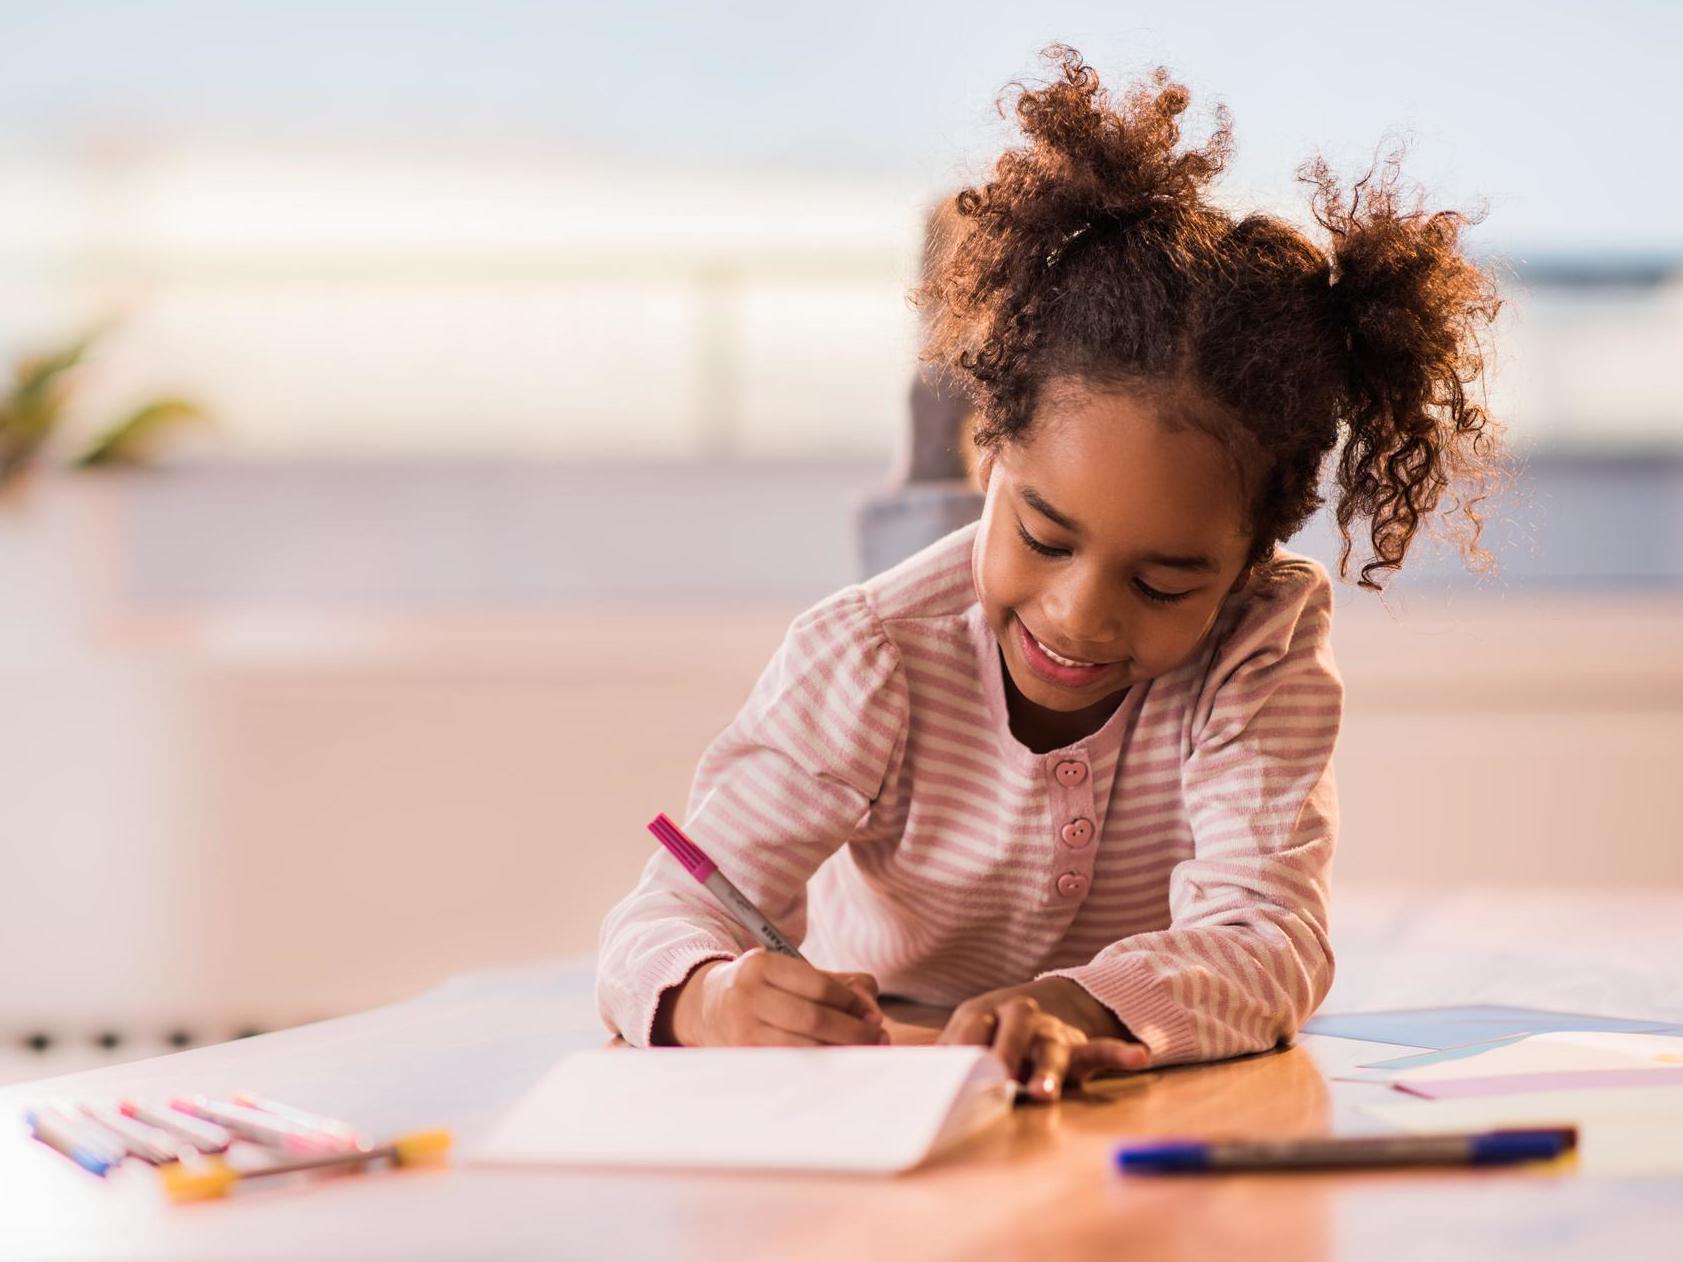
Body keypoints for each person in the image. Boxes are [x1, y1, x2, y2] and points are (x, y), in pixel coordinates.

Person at [596, 46, 1502, 1101]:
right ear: (1001, 454)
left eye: (1164, 582)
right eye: (1046, 531)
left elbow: (1270, 936)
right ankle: (949, 436)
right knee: (929, 562)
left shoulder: (1263, 636)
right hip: (894, 1068)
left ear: (1253, 555)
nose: (1082, 615)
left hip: (1081, 1081)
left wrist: (1085, 1002)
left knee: (1000, 575)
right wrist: (707, 992)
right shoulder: (865, 654)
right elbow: (656, 920)